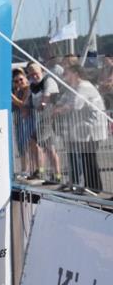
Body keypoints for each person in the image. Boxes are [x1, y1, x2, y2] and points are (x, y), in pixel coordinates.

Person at [54, 65, 106, 193]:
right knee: (86, 157)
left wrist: (59, 110)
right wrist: (59, 106)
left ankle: (94, 187)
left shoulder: (84, 87)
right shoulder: (74, 87)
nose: (64, 76)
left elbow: (75, 105)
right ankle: (89, 186)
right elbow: (63, 100)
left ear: (76, 74)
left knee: (89, 157)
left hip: (92, 128)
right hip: (84, 128)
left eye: (67, 73)